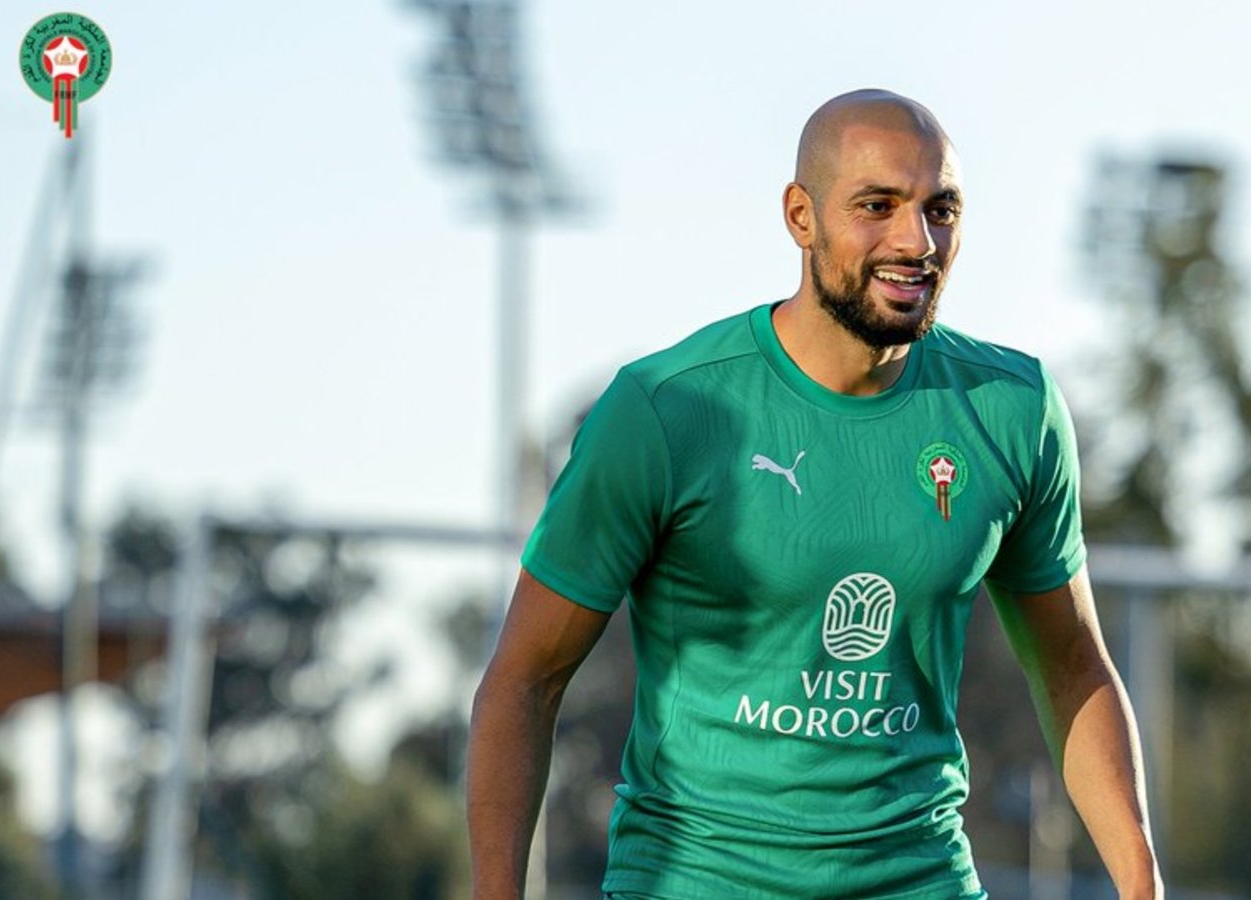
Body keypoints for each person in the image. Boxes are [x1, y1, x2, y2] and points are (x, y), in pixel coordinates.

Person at [467, 88, 1163, 900]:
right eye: (879, 206)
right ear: (802, 217)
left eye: (942, 209)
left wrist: (1142, 884)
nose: (918, 240)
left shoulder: (1015, 409)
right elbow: (524, 679)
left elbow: (1073, 666)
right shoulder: (666, 411)